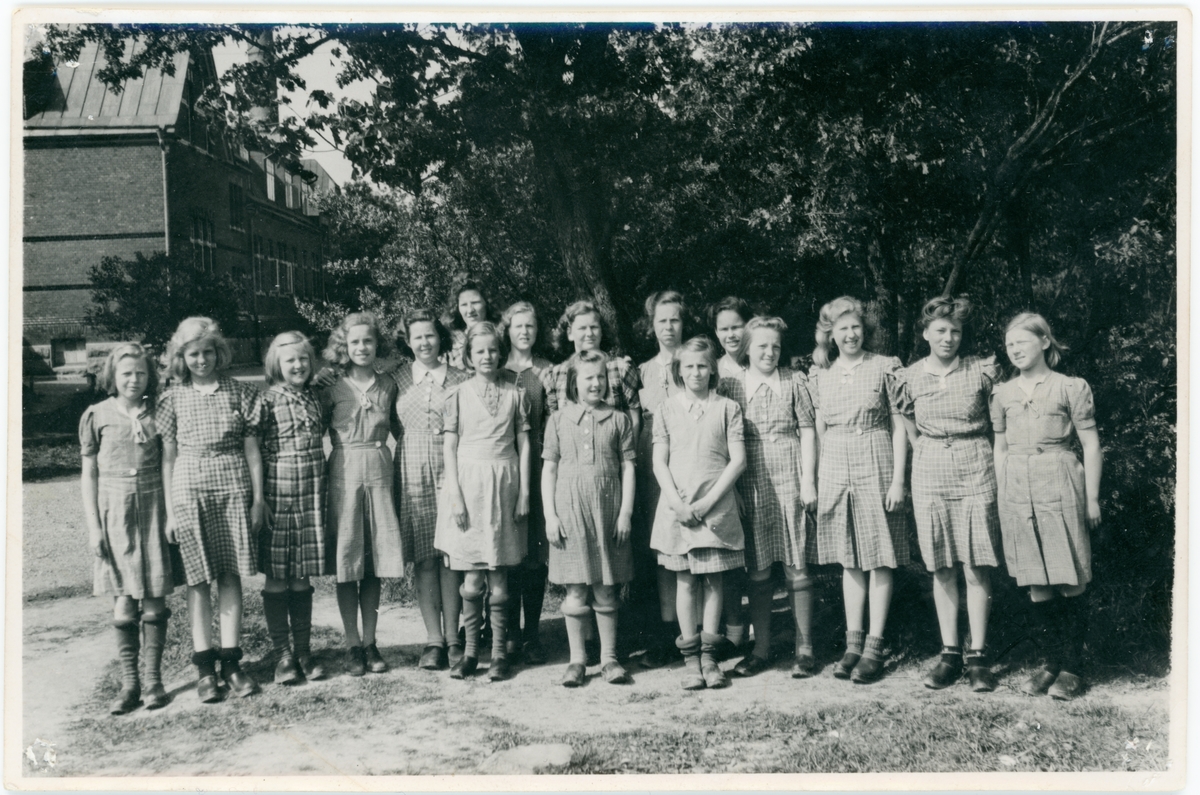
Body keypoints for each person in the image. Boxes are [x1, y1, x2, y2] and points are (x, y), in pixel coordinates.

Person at [991, 312, 1103, 701]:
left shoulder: (1069, 387)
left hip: (1059, 482)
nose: (1015, 349)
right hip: (1018, 490)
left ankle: (1073, 668)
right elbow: (1000, 448)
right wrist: (1003, 492)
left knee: (1069, 574)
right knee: (1036, 578)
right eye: (1009, 345)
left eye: (1022, 341)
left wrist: (1091, 497)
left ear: (1043, 342)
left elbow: (1090, 445)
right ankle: (1051, 664)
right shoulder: (1003, 394)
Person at [896, 297, 1003, 693]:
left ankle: (978, 656)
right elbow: (909, 426)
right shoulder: (908, 377)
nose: (948, 337)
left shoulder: (981, 370)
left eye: (955, 331)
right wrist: (930, 451)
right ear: (925, 333)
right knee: (941, 565)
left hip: (976, 464)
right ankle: (950, 654)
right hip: (930, 469)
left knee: (976, 564)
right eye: (940, 330)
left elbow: (999, 422)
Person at [159, 317, 265, 702]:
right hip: (189, 490)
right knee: (197, 579)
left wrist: (258, 499)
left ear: (219, 353)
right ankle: (205, 668)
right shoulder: (172, 398)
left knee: (229, 574)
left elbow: (253, 452)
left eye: (207, 352)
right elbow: (168, 458)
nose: (201, 360)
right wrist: (171, 512)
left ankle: (232, 663)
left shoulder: (241, 393)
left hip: (233, 487)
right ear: (181, 357)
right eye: (193, 354)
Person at [809, 297, 908, 685]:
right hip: (836, 465)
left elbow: (899, 427)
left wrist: (897, 479)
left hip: (875, 458)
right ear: (830, 335)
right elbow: (819, 432)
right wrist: (821, 478)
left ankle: (875, 646)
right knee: (849, 557)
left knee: (879, 556)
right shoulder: (820, 376)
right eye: (842, 329)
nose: (850, 335)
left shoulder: (885, 367)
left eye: (855, 327)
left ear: (864, 330)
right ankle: (852, 645)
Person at [718, 317, 819, 678]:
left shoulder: (794, 381)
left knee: (796, 562)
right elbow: (722, 442)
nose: (770, 352)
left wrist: (808, 481)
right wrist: (732, 491)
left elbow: (808, 431)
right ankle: (760, 649)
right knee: (758, 567)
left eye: (775, 346)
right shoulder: (732, 385)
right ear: (747, 348)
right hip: (751, 482)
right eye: (762, 346)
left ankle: (804, 648)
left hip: (790, 476)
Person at [79, 343, 174, 713]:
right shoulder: (97, 414)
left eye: (140, 373)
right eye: (126, 374)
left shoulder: (159, 412)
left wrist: (170, 514)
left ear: (150, 376)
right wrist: (94, 527)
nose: (134, 380)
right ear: (112, 377)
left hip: (153, 507)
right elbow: (89, 474)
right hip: (115, 512)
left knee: (154, 594)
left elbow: (168, 464)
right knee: (123, 596)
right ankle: (129, 683)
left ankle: (153, 681)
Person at [435, 322, 531, 681]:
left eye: (492, 350)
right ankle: (471, 653)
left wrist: (523, 493)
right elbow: (449, 447)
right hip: (469, 486)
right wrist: (455, 496)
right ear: (469, 356)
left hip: (504, 486)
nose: (487, 356)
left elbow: (524, 444)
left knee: (500, 573)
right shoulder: (457, 395)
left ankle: (500, 654)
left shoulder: (515, 394)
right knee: (473, 577)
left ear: (500, 352)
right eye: (479, 351)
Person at [650, 336, 747, 690]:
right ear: (679, 371)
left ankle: (709, 658)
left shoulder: (727, 408)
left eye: (703, 366)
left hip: (715, 509)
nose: (696, 372)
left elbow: (738, 460)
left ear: (713, 370)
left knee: (714, 580)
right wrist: (677, 503)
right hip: (678, 510)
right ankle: (691, 660)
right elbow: (659, 462)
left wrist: (708, 503)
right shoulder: (666, 409)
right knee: (686, 581)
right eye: (689, 366)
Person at [543, 350, 638, 687]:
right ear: (574, 382)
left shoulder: (619, 420)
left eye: (600, 377)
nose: (596, 383)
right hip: (570, 512)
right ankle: (577, 661)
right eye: (588, 377)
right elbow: (549, 470)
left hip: (608, 512)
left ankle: (609, 659)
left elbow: (628, 468)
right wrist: (550, 515)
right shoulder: (558, 420)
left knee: (606, 589)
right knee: (575, 589)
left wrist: (626, 512)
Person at [321, 311, 406, 677]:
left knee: (373, 564)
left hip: (380, 470)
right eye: (354, 342)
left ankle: (371, 643)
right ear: (344, 346)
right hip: (344, 472)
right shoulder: (331, 385)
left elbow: (403, 429)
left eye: (368, 341)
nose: (361, 347)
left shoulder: (389, 385)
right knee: (347, 562)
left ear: (377, 344)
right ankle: (352, 644)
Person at [393, 309, 472, 671]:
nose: (424, 342)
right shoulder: (397, 378)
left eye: (430, 335)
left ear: (441, 338)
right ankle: (433, 640)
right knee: (425, 557)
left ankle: (454, 638)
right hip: (412, 470)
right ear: (408, 342)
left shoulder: (460, 378)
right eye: (417, 337)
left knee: (451, 555)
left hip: (452, 469)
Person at [258, 332, 328, 686]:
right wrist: (260, 499)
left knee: (302, 575)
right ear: (276, 364)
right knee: (277, 574)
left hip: (311, 493)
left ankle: (303, 651)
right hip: (278, 495)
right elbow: (254, 451)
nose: (298, 365)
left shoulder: (315, 396)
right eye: (290, 360)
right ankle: (283, 655)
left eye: (303, 359)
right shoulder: (266, 401)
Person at [499, 301, 554, 665]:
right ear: (507, 330)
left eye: (530, 326)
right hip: (502, 466)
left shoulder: (547, 371)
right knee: (507, 552)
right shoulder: (495, 369)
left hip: (537, 465)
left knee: (533, 554)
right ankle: (509, 634)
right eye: (518, 326)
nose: (524, 332)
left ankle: (532, 634)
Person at [635, 291, 688, 668]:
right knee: (663, 550)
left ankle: (700, 632)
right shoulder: (642, 370)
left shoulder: (698, 362)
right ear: (651, 326)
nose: (668, 327)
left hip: (691, 463)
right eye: (662, 321)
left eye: (675, 320)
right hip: (654, 468)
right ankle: (668, 634)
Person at [445, 276, 495, 369]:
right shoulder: (453, 343)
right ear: (457, 308)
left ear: (487, 303)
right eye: (464, 304)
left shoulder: (502, 336)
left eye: (475, 302)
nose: (470, 310)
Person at [709, 296, 753, 380]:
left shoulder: (761, 366)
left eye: (736, 327)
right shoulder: (713, 370)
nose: (730, 335)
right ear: (716, 332)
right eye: (724, 329)